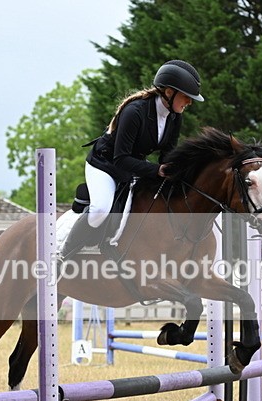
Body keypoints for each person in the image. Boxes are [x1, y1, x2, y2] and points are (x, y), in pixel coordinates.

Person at [59, 59, 205, 260]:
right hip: (105, 165)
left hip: (132, 167)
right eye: (186, 96)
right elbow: (121, 159)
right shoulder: (134, 112)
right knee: (101, 209)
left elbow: (167, 155)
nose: (189, 102)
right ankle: (63, 254)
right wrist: (156, 170)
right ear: (169, 92)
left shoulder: (174, 116)